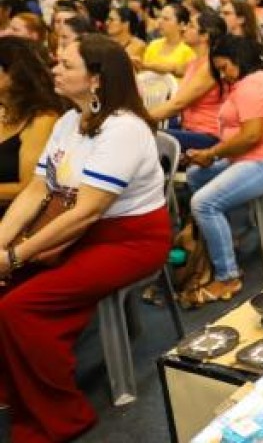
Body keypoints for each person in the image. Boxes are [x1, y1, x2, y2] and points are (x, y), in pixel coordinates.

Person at [0, 34, 169, 442]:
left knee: (20, 308)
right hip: (85, 231)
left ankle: (62, 416)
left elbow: (87, 210)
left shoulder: (123, 128)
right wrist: (1, 246)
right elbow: (38, 190)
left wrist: (16, 255)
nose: (53, 69)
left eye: (66, 65)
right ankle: (14, 389)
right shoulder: (67, 121)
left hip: (130, 241)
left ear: (96, 79)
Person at [183, 36, 263, 304]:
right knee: (195, 175)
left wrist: (211, 153)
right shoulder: (251, 80)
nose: (223, 76)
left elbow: (251, 136)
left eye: (225, 68)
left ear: (240, 60)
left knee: (203, 203)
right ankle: (227, 237)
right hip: (254, 156)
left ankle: (228, 276)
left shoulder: (252, 85)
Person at [0, 37, 64, 214]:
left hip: (14, 218)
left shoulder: (42, 119)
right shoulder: (3, 110)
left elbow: (30, 188)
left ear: (13, 74)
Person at [148, 11, 226, 151]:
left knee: (145, 135)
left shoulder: (210, 66)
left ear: (205, 35)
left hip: (207, 135)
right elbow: (173, 68)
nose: (184, 29)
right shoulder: (195, 61)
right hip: (189, 128)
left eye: (190, 26)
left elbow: (179, 103)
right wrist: (143, 65)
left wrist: (139, 119)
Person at [140, 4, 195, 78]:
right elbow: (143, 74)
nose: (159, 21)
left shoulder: (189, 50)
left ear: (181, 25)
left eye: (166, 19)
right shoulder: (153, 45)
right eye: (159, 17)